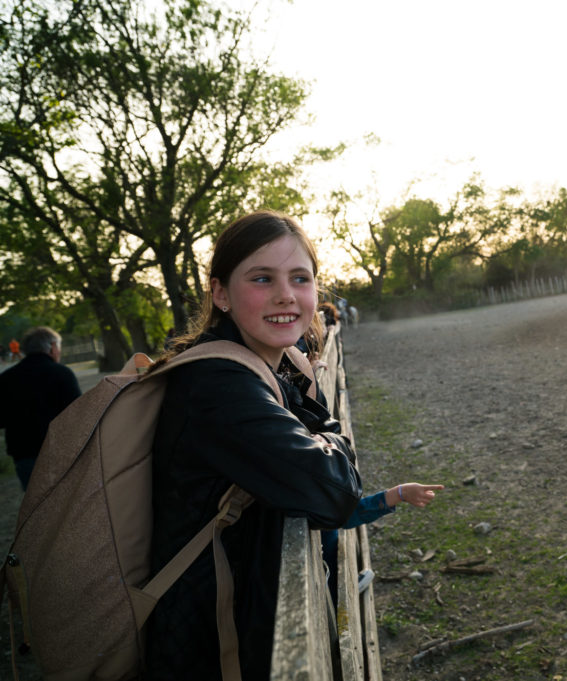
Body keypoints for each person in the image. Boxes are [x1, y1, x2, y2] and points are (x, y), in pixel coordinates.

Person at [146, 210, 443, 680]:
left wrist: (322, 438)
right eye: (262, 278)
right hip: (210, 643)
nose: (286, 294)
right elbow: (334, 492)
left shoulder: (269, 366)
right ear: (220, 293)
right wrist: (331, 442)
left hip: (236, 619)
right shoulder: (218, 385)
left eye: (299, 278)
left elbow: (320, 432)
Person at [0, 327, 82, 489]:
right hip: (61, 453)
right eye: (58, 347)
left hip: (25, 456)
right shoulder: (62, 373)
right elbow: (79, 413)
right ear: (52, 347)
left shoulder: (6, 378)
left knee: (39, 508)